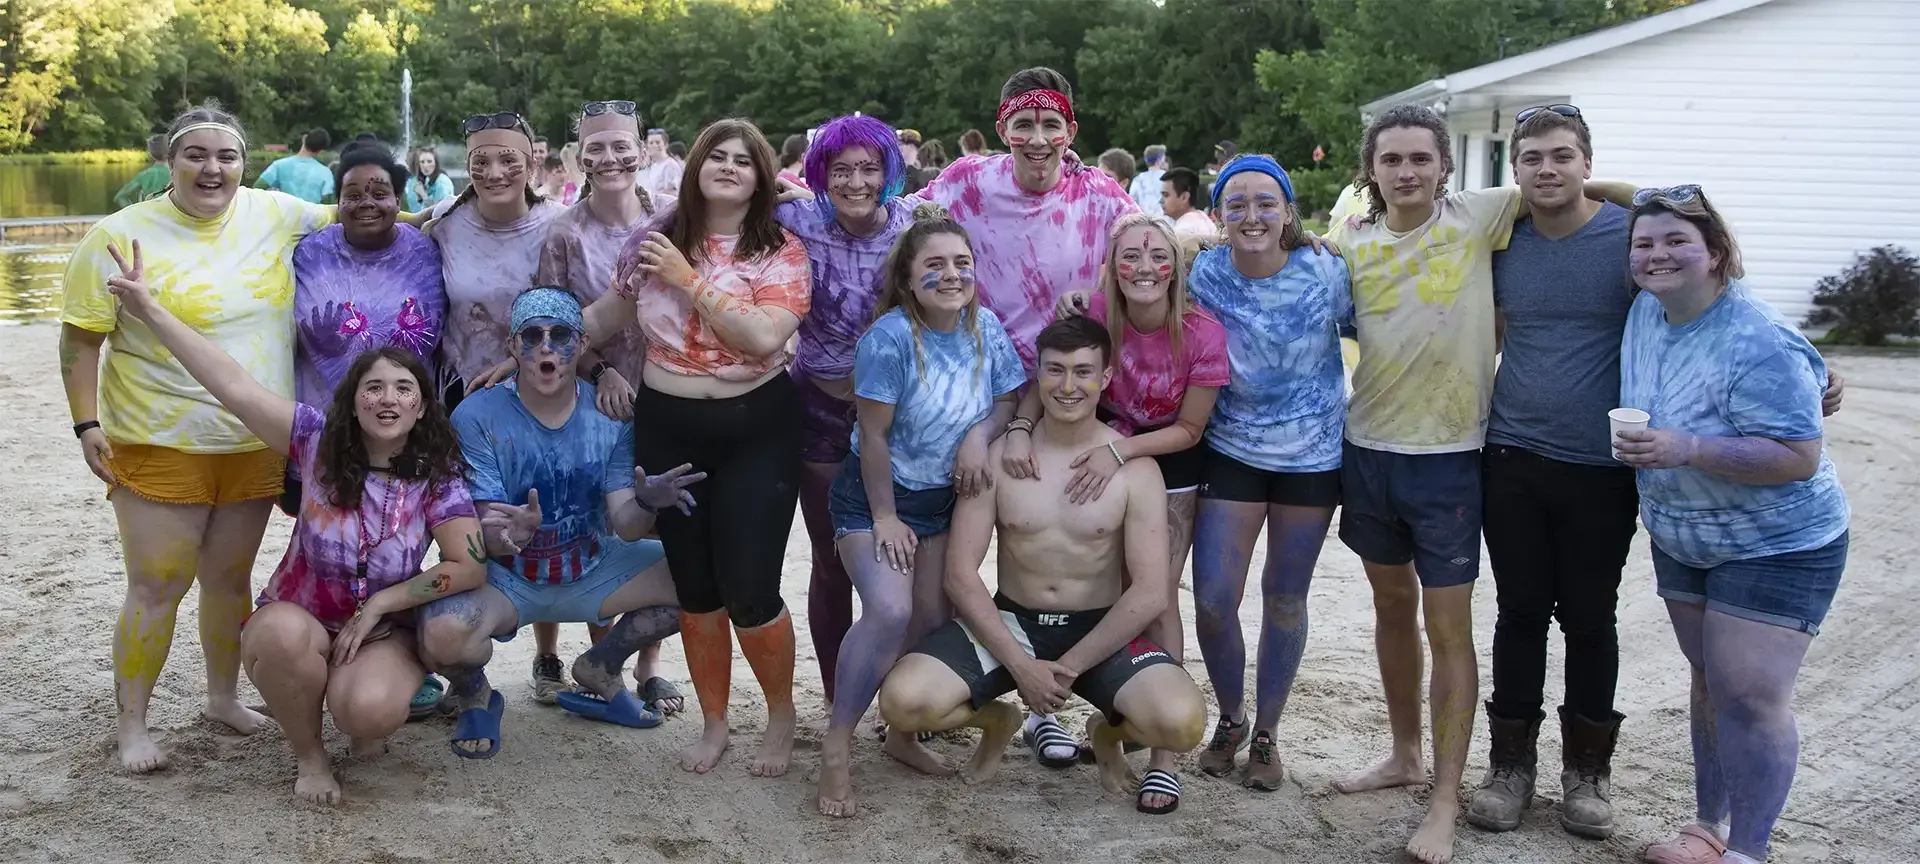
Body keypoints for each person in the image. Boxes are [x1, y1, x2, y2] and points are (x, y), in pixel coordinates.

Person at [1472, 108, 1849, 842]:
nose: (1547, 170)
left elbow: (1704, 266)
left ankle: (1587, 775)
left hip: (1602, 468)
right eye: (1532, 159)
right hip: (1513, 454)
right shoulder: (1499, 237)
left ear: (1588, 162)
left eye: (1563, 157)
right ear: (1513, 170)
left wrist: (1808, 366)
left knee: (1588, 617)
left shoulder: (1627, 239)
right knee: (1518, 613)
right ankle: (1509, 769)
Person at [1325, 103, 1634, 864]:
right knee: (1391, 608)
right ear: (1372, 169)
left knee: (1451, 628)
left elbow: (1571, 188)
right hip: (1367, 449)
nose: (1406, 172)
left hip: (1454, 456)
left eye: (1420, 159)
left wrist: (1655, 199)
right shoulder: (1348, 243)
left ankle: (1445, 800)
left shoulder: (1480, 216)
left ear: (1445, 167)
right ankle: (1404, 755)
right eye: (1391, 159)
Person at [106, 244, 483, 801]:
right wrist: (149, 308)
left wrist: (382, 603)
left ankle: (359, 703)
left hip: (379, 628)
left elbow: (468, 566)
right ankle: (310, 758)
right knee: (281, 640)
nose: (388, 398)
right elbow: (230, 384)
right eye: (372, 387)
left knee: (368, 712)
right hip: (299, 615)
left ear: (421, 407)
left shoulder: (437, 475)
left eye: (404, 389)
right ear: (352, 402)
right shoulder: (313, 443)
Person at [60, 101, 338, 773]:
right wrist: (86, 423)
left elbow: (368, 218)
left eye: (228, 156)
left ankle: (222, 697)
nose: (213, 169)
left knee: (227, 580)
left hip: (251, 443)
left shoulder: (278, 214)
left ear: (246, 163)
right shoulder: (119, 235)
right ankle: (133, 725)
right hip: (159, 439)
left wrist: (465, 207)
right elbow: (79, 339)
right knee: (157, 584)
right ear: (170, 161)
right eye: (197, 155)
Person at [877, 316, 1206, 815]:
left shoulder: (1136, 470)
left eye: (1082, 372)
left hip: (1098, 627)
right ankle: (997, 720)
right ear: (1039, 374)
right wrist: (1021, 666)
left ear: (1106, 377)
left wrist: (1069, 667)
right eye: (1055, 371)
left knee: (1182, 724)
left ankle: (1105, 733)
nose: (1068, 386)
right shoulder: (998, 460)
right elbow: (961, 577)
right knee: (903, 702)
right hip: (1015, 622)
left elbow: (1149, 591)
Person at [1615, 186, 1849, 864]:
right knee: (1710, 679)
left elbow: (1799, 458)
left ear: (1717, 253)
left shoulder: (1759, 338)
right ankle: (1707, 828)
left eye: (1677, 241)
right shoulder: (1645, 312)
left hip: (1777, 542)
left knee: (1748, 694)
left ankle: (1749, 851)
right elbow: (1597, 196)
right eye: (1644, 243)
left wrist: (1689, 448)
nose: (1658, 254)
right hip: (1683, 536)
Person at [920, 64, 1139, 762]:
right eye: (1023, 123)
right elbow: (898, 218)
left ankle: (1075, 708)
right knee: (989, 543)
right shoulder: (964, 182)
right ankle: (1009, 694)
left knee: (1078, 542)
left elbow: (1154, 258)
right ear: (1004, 126)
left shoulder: (1103, 195)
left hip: (1078, 392)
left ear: (1071, 130)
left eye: (1051, 124)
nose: (1037, 138)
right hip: (985, 394)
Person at [588, 118, 812, 777]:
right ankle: (715, 721)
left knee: (750, 587)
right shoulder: (653, 242)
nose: (729, 166)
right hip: (669, 426)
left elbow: (763, 335)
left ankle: (779, 714)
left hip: (757, 430)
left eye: (745, 159)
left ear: (762, 177)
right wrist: (533, 345)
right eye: (718, 154)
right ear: (696, 167)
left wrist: (688, 278)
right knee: (696, 587)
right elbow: (604, 318)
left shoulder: (782, 250)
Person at [418, 287, 700, 758]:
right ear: (512, 348)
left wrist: (649, 503)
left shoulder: (611, 416)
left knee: (703, 582)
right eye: (531, 336)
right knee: (440, 632)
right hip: (509, 580)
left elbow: (626, 526)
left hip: (593, 567)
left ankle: (601, 665)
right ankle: (475, 695)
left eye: (560, 335)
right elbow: (486, 529)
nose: (545, 347)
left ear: (582, 345)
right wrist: (510, 535)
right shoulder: (477, 415)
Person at [1146, 156, 1351, 793]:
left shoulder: (1328, 270)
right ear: (1220, 214)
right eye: (1237, 204)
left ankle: (1267, 732)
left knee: (1285, 597)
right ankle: (1230, 719)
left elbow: (1381, 326)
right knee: (1212, 598)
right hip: (1230, 450)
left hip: (1313, 459)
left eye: (1267, 202)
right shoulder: (1203, 272)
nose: (1252, 215)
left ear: (1289, 211)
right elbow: (1145, 286)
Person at [816, 202, 1024, 817]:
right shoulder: (889, 340)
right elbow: (873, 438)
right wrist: (884, 517)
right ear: (908, 278)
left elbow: (1009, 401)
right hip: (875, 498)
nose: (952, 274)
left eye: (962, 262)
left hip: (944, 502)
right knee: (887, 609)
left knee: (930, 621)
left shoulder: (986, 327)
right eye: (935, 264)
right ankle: (835, 744)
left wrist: (977, 436)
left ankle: (902, 733)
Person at [1029, 211, 1229, 808]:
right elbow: (1049, 376)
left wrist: (1120, 451)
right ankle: (1054, 712)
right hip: (1095, 453)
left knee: (1156, 594)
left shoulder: (1201, 332)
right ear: (1113, 266)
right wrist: (1019, 427)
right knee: (1080, 580)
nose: (1144, 266)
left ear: (1176, 264)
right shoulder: (1091, 313)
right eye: (1130, 255)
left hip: (1166, 462)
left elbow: (1191, 429)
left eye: (1156, 254)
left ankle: (1164, 757)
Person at [287, 143, 451, 716]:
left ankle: (401, 650)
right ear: (337, 198)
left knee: (404, 541)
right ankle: (321, 640)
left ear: (399, 199)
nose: (367, 203)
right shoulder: (308, 252)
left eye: (380, 192)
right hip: (326, 433)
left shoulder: (423, 250)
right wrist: (328, 343)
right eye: (353, 193)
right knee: (326, 540)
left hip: (407, 429)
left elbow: (436, 329)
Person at [526, 98, 677, 714]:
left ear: (642, 150)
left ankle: (646, 667)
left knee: (656, 522)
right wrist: (601, 369)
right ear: (578, 157)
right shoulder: (564, 231)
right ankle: (585, 658)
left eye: (621, 146)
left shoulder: (673, 219)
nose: (610, 157)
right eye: (596, 148)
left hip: (669, 392)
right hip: (593, 399)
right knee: (591, 523)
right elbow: (552, 324)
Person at [768, 114, 916, 708]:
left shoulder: (913, 226)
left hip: (900, 420)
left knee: (900, 562)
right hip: (818, 411)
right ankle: (837, 697)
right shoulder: (793, 219)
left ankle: (902, 696)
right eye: (841, 169)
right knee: (831, 560)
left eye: (869, 168)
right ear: (820, 174)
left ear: (889, 172)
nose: (856, 181)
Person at [429, 111, 563, 409]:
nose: (494, 173)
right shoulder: (446, 221)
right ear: (468, 167)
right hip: (460, 392)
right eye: (481, 162)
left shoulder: (559, 225)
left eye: (508, 160)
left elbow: (580, 314)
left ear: (531, 165)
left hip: (538, 390)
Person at [258, 128, 336, 204]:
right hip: (312, 217)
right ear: (321, 150)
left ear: (304, 138)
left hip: (284, 215)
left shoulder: (279, 165)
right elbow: (329, 204)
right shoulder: (325, 173)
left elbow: (257, 187)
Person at [1161, 167, 1214, 252]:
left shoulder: (1183, 228)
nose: (1160, 201)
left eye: (1166, 195)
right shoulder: (1205, 219)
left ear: (1184, 197)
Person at [113, 135, 171, 210]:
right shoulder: (176, 174)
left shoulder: (144, 175)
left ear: (150, 153)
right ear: (171, 152)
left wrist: (135, 212)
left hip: (149, 216)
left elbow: (120, 197)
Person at [407, 146, 457, 212]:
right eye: (422, 162)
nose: (425, 165)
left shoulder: (442, 182)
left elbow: (439, 212)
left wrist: (423, 194)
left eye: (429, 161)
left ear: (436, 163)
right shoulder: (428, 180)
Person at [640, 127, 683, 200]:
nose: (654, 145)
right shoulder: (654, 165)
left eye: (657, 142)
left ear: (665, 145)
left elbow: (673, 192)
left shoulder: (670, 165)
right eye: (651, 143)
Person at [1130, 145, 1166, 217]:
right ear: (1158, 161)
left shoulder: (1138, 180)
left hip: (1144, 221)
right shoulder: (1167, 177)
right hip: (1164, 221)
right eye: (1163, 158)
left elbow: (1132, 202)